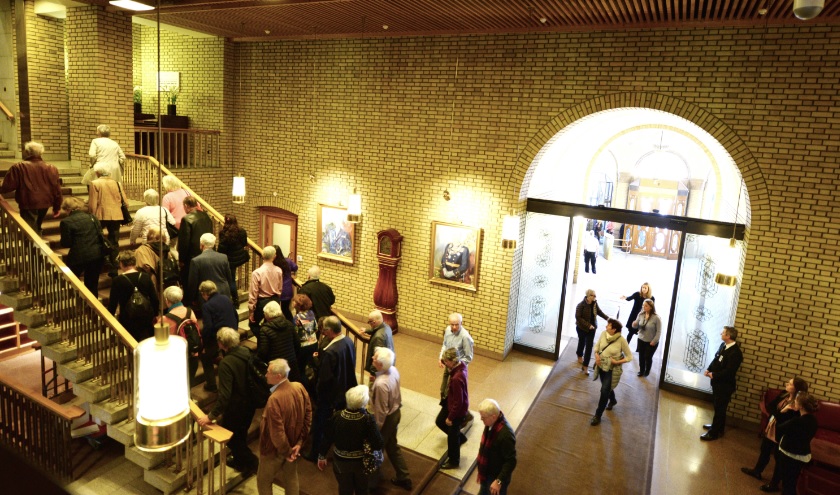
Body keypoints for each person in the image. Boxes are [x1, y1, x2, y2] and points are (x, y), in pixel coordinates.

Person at [197, 327, 259, 475]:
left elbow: (224, 396)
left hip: (236, 408)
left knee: (232, 439)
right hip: (250, 403)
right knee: (241, 434)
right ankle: (241, 463)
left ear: (222, 344)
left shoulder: (226, 364)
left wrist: (210, 416)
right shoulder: (246, 352)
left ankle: (253, 463)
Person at [305, 316, 357, 462]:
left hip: (329, 396)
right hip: (345, 389)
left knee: (321, 422)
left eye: (324, 330)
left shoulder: (329, 352)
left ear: (328, 330)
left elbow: (324, 378)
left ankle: (315, 453)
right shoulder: (348, 341)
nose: (323, 333)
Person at [257, 358, 312, 495]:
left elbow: (277, 432)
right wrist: (299, 443)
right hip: (294, 446)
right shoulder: (299, 387)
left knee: (263, 481)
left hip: (274, 450)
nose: (265, 375)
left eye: (268, 372)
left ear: (278, 376)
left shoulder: (274, 399)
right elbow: (308, 415)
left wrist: (287, 452)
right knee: (291, 479)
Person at [317, 385, 383, 495]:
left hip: (340, 462)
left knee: (344, 490)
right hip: (361, 463)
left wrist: (321, 455)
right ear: (364, 403)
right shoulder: (367, 419)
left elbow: (327, 437)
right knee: (362, 490)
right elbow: (378, 443)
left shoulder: (337, 416)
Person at [742, 377, 809, 481]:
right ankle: (757, 471)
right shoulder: (783, 394)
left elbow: (785, 420)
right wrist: (780, 412)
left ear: (796, 389)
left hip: (782, 431)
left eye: (790, 384)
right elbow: (770, 406)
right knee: (764, 450)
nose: (787, 384)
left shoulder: (797, 404)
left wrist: (780, 413)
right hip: (772, 427)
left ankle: (774, 483)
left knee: (779, 457)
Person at [759, 392, 820, 494]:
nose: (794, 402)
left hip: (789, 454)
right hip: (803, 454)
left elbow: (778, 429)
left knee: (787, 484)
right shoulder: (813, 420)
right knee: (792, 480)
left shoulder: (796, 421)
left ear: (800, 405)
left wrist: (783, 410)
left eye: (796, 401)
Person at [370, 347, 412, 491]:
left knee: (375, 450)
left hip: (387, 418)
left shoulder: (381, 384)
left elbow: (381, 412)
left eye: (375, 358)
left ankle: (372, 483)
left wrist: (375, 431)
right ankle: (404, 476)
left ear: (381, 365)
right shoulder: (393, 370)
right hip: (396, 413)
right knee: (392, 446)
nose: (372, 359)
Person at [0, 141, 62, 235]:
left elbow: (7, 186)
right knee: (37, 225)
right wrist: (57, 207)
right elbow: (57, 189)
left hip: (28, 203)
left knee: (29, 230)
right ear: (41, 153)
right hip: (45, 203)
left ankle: (33, 247)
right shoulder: (52, 168)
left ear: (27, 152)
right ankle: (38, 244)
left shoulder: (19, 167)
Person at [701, 325, 744, 441]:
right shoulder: (723, 345)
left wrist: (714, 375)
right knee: (718, 407)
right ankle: (718, 427)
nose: (721, 333)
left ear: (728, 336)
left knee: (720, 408)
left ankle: (713, 433)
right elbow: (716, 359)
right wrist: (709, 369)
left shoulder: (736, 353)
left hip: (725, 386)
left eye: (723, 332)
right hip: (717, 383)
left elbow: (729, 372)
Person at [107, 251, 158, 342]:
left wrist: (109, 319)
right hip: (146, 315)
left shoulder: (118, 280)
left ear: (121, 264)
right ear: (135, 263)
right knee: (147, 341)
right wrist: (155, 315)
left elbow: (112, 304)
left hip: (128, 317)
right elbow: (154, 299)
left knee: (131, 342)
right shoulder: (145, 276)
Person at [590, 319, 633, 426]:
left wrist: (617, 361)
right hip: (601, 366)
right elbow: (597, 346)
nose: (606, 327)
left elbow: (629, 356)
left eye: (608, 326)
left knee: (604, 391)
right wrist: (596, 355)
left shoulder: (621, 340)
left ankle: (597, 415)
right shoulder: (603, 334)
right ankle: (613, 400)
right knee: (607, 387)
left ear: (614, 329)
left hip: (611, 369)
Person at [58, 196, 105, 295]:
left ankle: (75, 300)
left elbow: (66, 243)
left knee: (71, 279)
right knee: (92, 284)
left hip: (78, 257)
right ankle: (92, 308)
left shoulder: (66, 222)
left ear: (67, 209)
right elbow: (100, 233)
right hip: (97, 254)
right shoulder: (92, 217)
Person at [198, 280, 238, 392]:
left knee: (206, 358)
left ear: (205, 293)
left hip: (220, 336)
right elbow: (236, 315)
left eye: (202, 294)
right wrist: (234, 330)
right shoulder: (226, 298)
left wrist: (205, 345)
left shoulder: (207, 306)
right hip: (232, 333)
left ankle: (211, 385)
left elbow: (208, 327)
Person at [88, 164, 127, 276]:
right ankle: (114, 267)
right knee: (114, 241)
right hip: (116, 215)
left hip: (101, 215)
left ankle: (104, 261)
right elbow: (126, 202)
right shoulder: (117, 183)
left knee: (99, 239)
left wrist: (92, 215)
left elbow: (92, 204)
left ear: (97, 173)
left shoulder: (95, 183)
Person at [436, 348, 469, 470]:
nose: (444, 363)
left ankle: (454, 461)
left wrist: (450, 417)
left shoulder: (456, 378)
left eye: (446, 361)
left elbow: (459, 401)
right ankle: (460, 437)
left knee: (452, 435)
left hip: (456, 411)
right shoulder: (461, 366)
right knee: (439, 421)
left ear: (453, 361)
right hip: (449, 403)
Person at [476, 399, 517, 495]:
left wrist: (499, 481)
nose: (481, 419)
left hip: (495, 478)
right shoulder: (491, 424)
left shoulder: (505, 435)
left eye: (483, 417)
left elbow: (511, 461)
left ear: (493, 417)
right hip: (486, 473)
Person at [161, 285, 201, 386]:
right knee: (189, 383)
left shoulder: (165, 319)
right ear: (181, 297)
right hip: (193, 354)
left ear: (167, 300)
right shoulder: (190, 311)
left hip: (177, 358)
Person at [186, 233, 235, 308]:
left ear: (201, 245)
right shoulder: (223, 257)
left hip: (206, 296)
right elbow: (229, 278)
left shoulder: (196, 261)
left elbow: (193, 283)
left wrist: (191, 300)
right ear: (214, 244)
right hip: (224, 293)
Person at [437, 313, 474, 410]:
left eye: (457, 324)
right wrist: (441, 357)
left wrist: (457, 366)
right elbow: (445, 345)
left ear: (461, 323)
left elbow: (468, 357)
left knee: (454, 392)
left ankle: (454, 411)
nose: (454, 327)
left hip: (458, 369)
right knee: (443, 389)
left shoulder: (465, 337)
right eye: (452, 324)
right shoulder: (447, 330)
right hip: (448, 365)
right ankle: (444, 405)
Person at [258, 301, 301, 383]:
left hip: (276, 367)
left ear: (267, 315)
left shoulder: (265, 330)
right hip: (291, 364)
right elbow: (297, 343)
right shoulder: (289, 324)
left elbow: (263, 352)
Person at [249, 246, 285, 338]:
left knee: (253, 324)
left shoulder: (257, 272)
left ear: (262, 256)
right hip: (275, 300)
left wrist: (251, 310)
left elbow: (254, 292)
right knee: (273, 324)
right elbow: (280, 288)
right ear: (274, 256)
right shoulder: (279, 270)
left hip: (262, 302)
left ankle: (263, 340)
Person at [178, 196, 213, 288]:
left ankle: (190, 300)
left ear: (186, 205)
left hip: (192, 257)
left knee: (190, 281)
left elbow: (184, 242)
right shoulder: (206, 216)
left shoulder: (186, 219)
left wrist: (181, 259)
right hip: (206, 252)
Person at [575, 289, 610, 376]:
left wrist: (608, 319)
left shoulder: (594, 304)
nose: (594, 297)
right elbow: (578, 317)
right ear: (588, 296)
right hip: (581, 328)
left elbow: (599, 312)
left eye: (595, 295)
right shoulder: (581, 305)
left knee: (589, 347)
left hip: (592, 329)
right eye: (593, 295)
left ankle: (585, 366)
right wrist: (588, 325)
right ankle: (579, 354)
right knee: (582, 342)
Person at [292, 294, 319, 388]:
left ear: (299, 305)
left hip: (303, 346)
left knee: (301, 369)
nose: (293, 302)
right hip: (314, 343)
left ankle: (304, 389)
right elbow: (316, 328)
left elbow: (295, 334)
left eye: (294, 301)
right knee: (311, 365)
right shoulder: (311, 314)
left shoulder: (297, 318)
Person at [218, 214, 250, 290]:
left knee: (228, 279)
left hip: (228, 259)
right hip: (238, 258)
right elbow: (244, 243)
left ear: (225, 221)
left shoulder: (223, 233)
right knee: (232, 278)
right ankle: (235, 299)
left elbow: (222, 249)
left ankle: (230, 297)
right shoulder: (242, 231)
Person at [631, 298, 661, 378]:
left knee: (647, 357)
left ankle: (647, 370)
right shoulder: (640, 314)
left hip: (651, 341)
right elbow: (636, 325)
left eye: (646, 306)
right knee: (641, 356)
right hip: (641, 339)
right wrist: (634, 325)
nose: (644, 307)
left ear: (651, 307)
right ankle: (641, 370)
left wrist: (654, 341)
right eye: (643, 305)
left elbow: (659, 331)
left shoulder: (656, 318)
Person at [365, 310, 394, 381]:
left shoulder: (378, 338)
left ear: (373, 322)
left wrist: (373, 373)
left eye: (369, 322)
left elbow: (378, 358)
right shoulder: (387, 327)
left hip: (379, 372)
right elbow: (377, 329)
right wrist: (367, 331)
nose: (369, 324)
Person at [273, 245, 298, 321]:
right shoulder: (287, 261)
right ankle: (291, 324)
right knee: (285, 309)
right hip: (287, 289)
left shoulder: (273, 264)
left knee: (274, 310)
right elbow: (295, 267)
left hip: (275, 290)